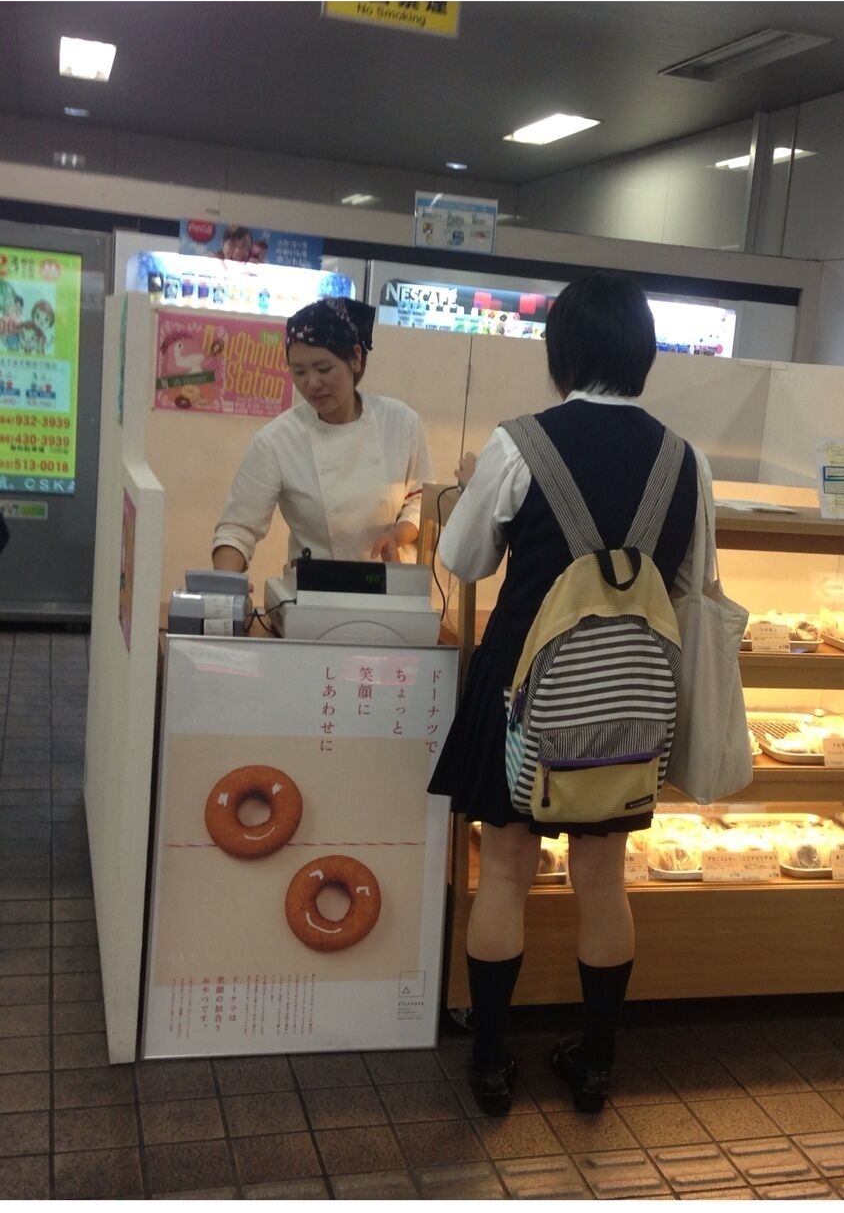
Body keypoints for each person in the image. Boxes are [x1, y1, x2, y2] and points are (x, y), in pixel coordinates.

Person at [428, 271, 714, 1116]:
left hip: (519, 688)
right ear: (644, 353)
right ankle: (595, 1063)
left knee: (504, 872)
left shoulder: (520, 444)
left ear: (561, 351)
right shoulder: (685, 459)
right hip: (626, 698)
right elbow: (692, 584)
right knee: (603, 879)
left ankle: (489, 1062)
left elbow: (463, 559)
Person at [211, 297, 434, 572]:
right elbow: (237, 529)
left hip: (389, 581)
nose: (312, 383)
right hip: (313, 586)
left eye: (324, 369)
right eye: (299, 372)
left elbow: (420, 500)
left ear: (355, 357)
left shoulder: (400, 422)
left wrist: (397, 535)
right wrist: (225, 585)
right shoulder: (277, 441)